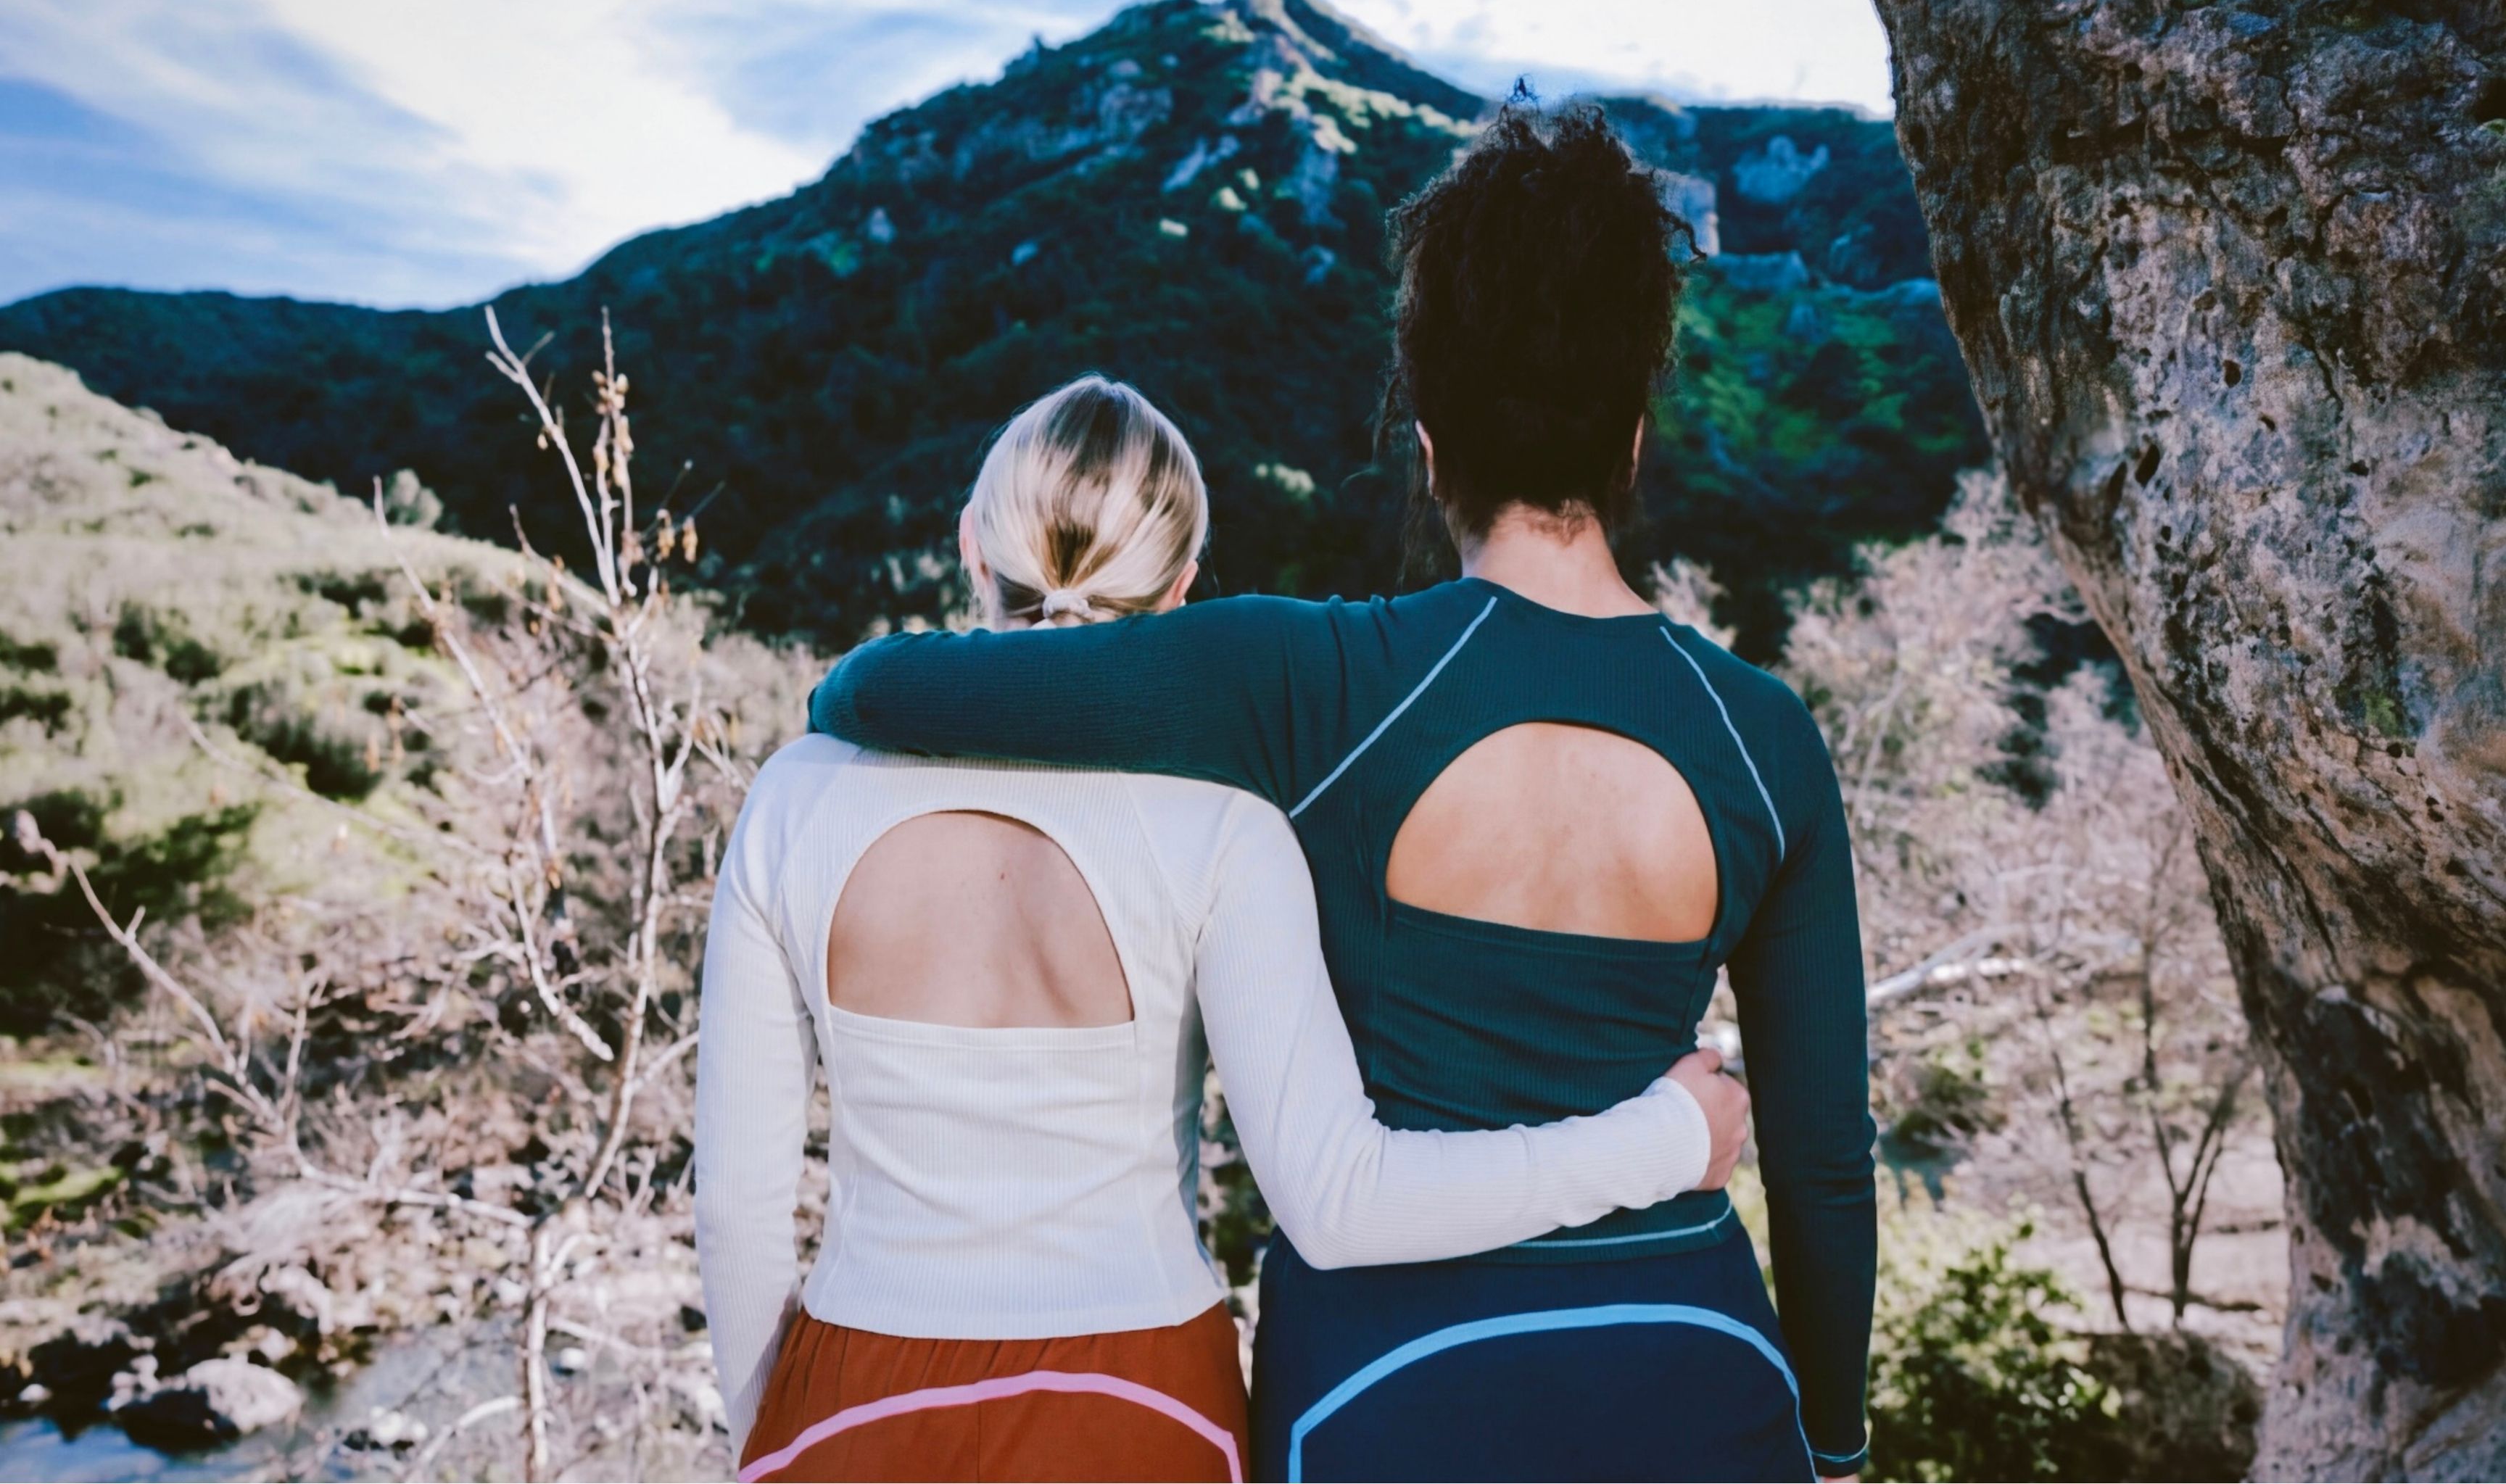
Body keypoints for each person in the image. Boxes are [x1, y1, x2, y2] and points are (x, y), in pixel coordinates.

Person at [808, 104, 1877, 1482]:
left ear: (1428, 446)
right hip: (1700, 1367)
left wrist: (853, 677)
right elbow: (1823, 1161)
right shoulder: (1765, 740)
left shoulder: (1311, 679)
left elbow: (890, 690)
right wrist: (1833, 1449)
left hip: (1384, 1391)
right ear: (1631, 436)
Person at [697, 373, 1750, 1484]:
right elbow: (1339, 1202)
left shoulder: (795, 800)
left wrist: (772, 1440)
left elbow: (737, 1213)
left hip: (849, 1403)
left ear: (972, 545)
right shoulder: (1223, 826)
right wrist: (1662, 1140)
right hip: (1146, 1407)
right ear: (1184, 584)